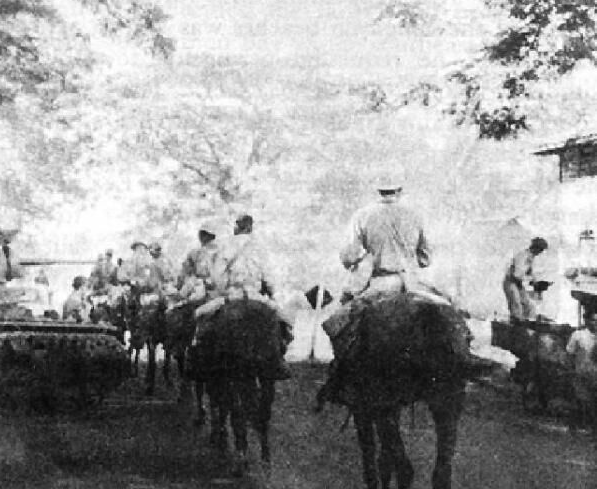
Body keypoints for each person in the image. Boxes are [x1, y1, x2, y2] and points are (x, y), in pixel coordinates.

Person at [316, 174, 441, 411]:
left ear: (378, 191)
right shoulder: (415, 215)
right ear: (399, 190)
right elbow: (426, 257)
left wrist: (363, 259)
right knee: (445, 309)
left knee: (339, 323)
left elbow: (349, 255)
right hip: (412, 284)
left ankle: (340, 378)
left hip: (379, 284)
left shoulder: (363, 215)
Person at [195, 213, 293, 379]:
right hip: (257, 297)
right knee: (286, 322)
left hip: (232, 296)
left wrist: (223, 290)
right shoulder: (260, 247)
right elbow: (269, 279)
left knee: (200, 316)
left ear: (237, 227)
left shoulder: (225, 246)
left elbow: (218, 278)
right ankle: (279, 358)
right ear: (250, 227)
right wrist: (271, 294)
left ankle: (203, 360)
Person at [502, 237, 549, 322]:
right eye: (540, 250)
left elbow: (529, 272)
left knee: (529, 305)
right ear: (535, 248)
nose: (541, 252)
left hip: (518, 283)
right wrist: (530, 282)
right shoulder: (522, 255)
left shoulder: (531, 257)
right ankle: (516, 324)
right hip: (510, 282)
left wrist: (535, 282)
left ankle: (527, 323)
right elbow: (517, 274)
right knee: (516, 303)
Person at [177, 220, 222, 305]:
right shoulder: (195, 253)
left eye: (204, 234)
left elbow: (217, 278)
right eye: (202, 234)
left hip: (208, 289)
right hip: (196, 287)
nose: (201, 236)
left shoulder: (218, 253)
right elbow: (184, 272)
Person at [567, 312, 597, 434]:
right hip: (581, 373)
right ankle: (573, 427)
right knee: (579, 400)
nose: (596, 323)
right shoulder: (578, 335)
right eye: (593, 320)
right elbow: (570, 353)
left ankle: (594, 430)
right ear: (587, 320)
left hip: (596, 376)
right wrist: (571, 370)